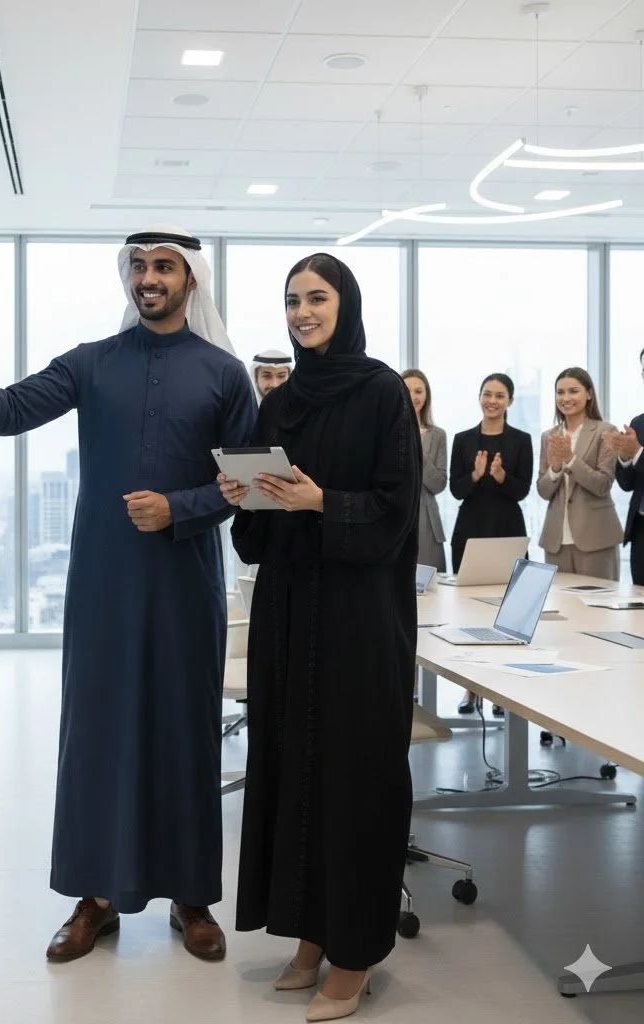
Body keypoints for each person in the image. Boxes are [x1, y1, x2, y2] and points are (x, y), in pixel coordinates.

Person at [0, 226, 256, 964]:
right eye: (139, 266)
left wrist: (178, 508)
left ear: (191, 280)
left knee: (185, 731)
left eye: (164, 266)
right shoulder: (90, 364)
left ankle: (191, 897)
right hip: (102, 584)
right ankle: (93, 899)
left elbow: (246, 486)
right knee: (95, 731)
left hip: (186, 584)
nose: (149, 277)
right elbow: (6, 412)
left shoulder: (224, 374)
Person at [220, 253, 420, 1022]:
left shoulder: (379, 393)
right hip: (289, 612)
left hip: (358, 619)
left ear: (347, 303)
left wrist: (318, 501)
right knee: (291, 767)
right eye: (292, 300)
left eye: (317, 297)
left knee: (353, 777)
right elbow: (255, 536)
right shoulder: (283, 402)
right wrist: (246, 498)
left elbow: (395, 510)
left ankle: (355, 952)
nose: (302, 312)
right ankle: (306, 932)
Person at [450, 373, 533, 716]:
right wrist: (475, 474)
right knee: (471, 613)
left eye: (500, 395)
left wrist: (500, 477)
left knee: (506, 614)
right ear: (479, 397)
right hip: (470, 528)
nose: (492, 400)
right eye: (487, 394)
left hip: (507, 528)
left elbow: (522, 490)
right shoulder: (464, 439)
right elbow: (456, 490)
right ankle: (471, 691)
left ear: (510, 401)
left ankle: (502, 693)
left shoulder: (521, 440)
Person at [537, 368, 622, 580]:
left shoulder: (606, 431)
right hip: (556, 540)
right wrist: (555, 468)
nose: (565, 398)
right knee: (564, 609)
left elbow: (602, 484)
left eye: (573, 391)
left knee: (597, 607)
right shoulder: (549, 436)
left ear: (589, 394)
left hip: (596, 537)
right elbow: (543, 490)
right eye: (560, 392)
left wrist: (571, 459)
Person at [605, 346, 644, 586]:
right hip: (641, 532)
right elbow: (627, 484)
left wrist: (637, 453)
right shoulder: (639, 422)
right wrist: (624, 457)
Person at [402, 369, 447, 573]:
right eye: (407, 390)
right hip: (396, 517)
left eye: (419, 391)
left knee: (432, 593)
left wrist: (418, 449)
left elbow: (438, 484)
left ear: (426, 395)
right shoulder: (384, 431)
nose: (413, 396)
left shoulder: (438, 435)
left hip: (428, 523)